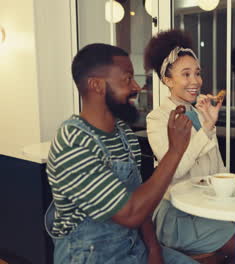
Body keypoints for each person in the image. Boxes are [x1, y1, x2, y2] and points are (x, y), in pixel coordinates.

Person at [44, 43, 198, 264]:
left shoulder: (123, 132)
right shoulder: (73, 142)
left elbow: (141, 197)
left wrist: (153, 248)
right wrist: (175, 151)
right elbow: (131, 213)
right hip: (90, 255)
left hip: (135, 247)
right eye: (127, 79)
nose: (136, 86)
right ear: (97, 85)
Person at [144, 30, 235, 262]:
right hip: (178, 217)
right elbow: (176, 169)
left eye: (198, 73)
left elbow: (219, 174)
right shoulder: (158, 118)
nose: (196, 81)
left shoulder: (201, 113)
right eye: (186, 74)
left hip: (208, 209)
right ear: (168, 80)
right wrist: (207, 129)